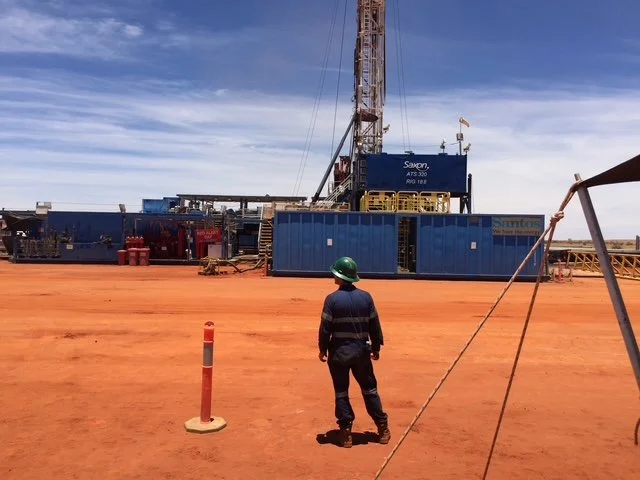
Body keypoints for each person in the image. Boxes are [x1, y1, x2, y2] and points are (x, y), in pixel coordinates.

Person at [318, 256, 391, 448]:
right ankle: (382, 428)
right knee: (370, 390)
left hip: (339, 353)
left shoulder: (332, 299)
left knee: (341, 392)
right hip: (361, 353)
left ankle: (346, 433)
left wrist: (322, 349)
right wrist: (376, 347)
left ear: (340, 276)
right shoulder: (366, 297)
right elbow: (374, 324)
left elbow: (325, 328)